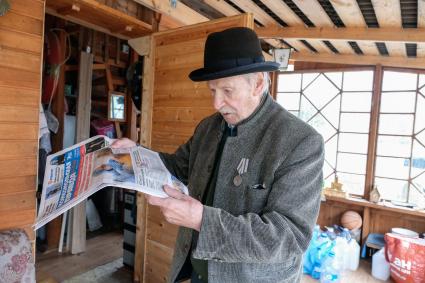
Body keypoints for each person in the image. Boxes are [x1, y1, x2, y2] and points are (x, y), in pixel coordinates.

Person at [112, 27, 324, 283]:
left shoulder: (300, 142)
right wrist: (136, 154)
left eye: (227, 91)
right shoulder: (208, 127)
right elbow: (177, 167)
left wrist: (202, 220)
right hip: (196, 272)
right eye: (212, 91)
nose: (216, 103)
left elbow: (288, 237)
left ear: (257, 84)